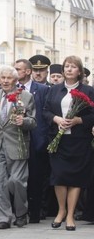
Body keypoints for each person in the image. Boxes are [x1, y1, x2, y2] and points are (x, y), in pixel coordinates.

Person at [42, 55, 94, 231]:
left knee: (75, 178)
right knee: (59, 176)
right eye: (66, 66)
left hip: (79, 141)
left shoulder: (88, 90)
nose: (69, 69)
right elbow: (45, 111)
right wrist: (56, 119)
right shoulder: (54, 90)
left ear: (79, 71)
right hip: (58, 140)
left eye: (73, 66)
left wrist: (79, 120)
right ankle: (61, 211)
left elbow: (92, 115)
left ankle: (71, 215)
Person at [0, 65, 36, 229]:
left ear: (16, 80)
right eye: (3, 77)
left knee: (17, 181)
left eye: (9, 78)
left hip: (18, 144)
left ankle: (21, 213)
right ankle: (4, 217)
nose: (6, 81)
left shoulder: (26, 96)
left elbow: (33, 121)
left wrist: (25, 122)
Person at [14, 59, 51, 223]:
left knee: (36, 177)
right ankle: (19, 212)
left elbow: (45, 114)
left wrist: (44, 139)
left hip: (36, 140)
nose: (15, 72)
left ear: (28, 71)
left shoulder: (42, 90)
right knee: (17, 178)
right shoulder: (11, 89)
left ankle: (35, 212)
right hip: (15, 140)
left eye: (18, 69)